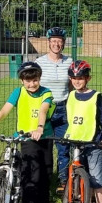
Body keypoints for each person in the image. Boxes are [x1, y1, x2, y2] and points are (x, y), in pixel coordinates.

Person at [0, 61, 54, 203]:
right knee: (30, 178)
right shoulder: (18, 93)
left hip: (44, 137)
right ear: (22, 81)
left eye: (35, 80)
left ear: (39, 79)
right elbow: (3, 112)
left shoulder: (46, 92)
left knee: (45, 176)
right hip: (27, 139)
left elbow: (43, 110)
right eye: (28, 81)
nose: (32, 84)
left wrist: (40, 128)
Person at [62, 60, 102, 203]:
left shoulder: (96, 96)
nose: (77, 81)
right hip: (75, 142)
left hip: (93, 142)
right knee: (78, 178)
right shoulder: (70, 96)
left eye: (81, 78)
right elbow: (67, 118)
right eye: (74, 78)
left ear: (88, 78)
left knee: (97, 179)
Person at [35, 26, 72, 192]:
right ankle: (44, 180)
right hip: (45, 109)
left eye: (60, 41)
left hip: (63, 107)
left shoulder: (69, 62)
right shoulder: (40, 63)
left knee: (63, 147)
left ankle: (63, 182)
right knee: (44, 147)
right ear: (48, 42)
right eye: (54, 41)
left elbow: (72, 86)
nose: (56, 44)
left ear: (63, 43)